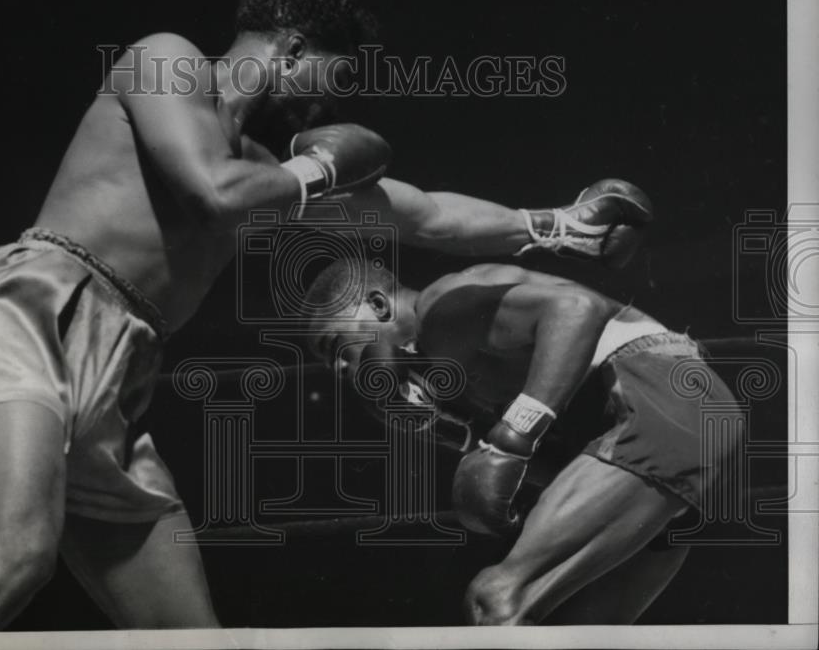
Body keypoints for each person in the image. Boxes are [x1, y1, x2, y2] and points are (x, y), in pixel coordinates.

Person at [0, 0, 651, 631]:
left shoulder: (270, 170)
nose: (331, 99)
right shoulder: (168, 60)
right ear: (290, 50)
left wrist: (559, 228)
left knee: (188, 631)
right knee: (15, 556)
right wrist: (320, 173)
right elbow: (211, 190)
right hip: (38, 306)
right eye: (332, 74)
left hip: (127, 362)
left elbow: (422, 215)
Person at [302, 258, 742, 625]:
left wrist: (512, 434)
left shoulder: (440, 305)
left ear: (378, 304)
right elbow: (561, 465)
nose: (341, 370)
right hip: (679, 430)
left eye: (337, 346)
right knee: (567, 630)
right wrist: (464, 433)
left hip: (659, 397)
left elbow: (577, 307)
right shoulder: (452, 377)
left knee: (496, 600)